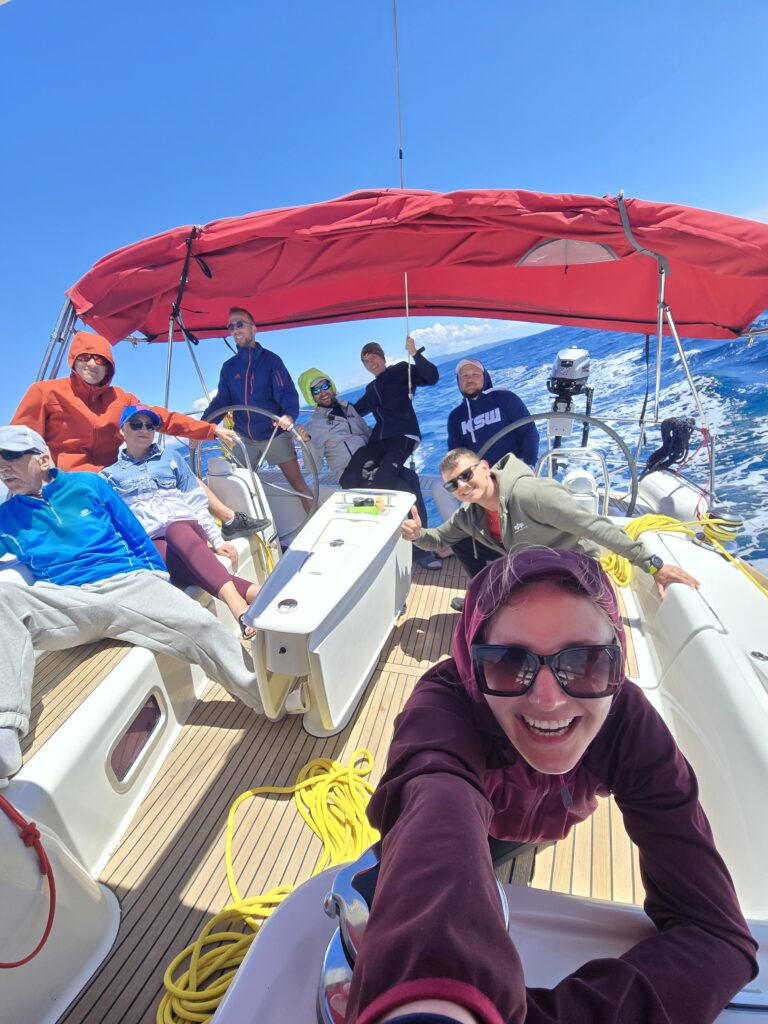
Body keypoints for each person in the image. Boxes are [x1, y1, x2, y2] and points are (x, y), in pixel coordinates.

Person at [345, 548, 757, 1024]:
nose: (547, 700)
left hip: (540, 821)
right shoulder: (442, 711)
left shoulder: (627, 721)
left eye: (584, 663)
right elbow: (435, 797)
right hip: (475, 828)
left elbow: (718, 929)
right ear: (473, 668)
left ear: (618, 664)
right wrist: (433, 999)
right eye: (507, 662)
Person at [0, 425, 263, 783]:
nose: (4, 467)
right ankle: (5, 728)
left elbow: (133, 533)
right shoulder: (5, 517)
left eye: (12, 457)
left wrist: (155, 576)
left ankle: (267, 697)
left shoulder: (88, 485)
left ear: (43, 458)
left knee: (202, 626)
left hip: (130, 584)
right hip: (72, 602)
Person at [12, 330, 268, 540]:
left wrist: (211, 430)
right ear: (73, 360)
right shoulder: (45, 393)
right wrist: (35, 487)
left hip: (118, 475)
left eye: (100, 359)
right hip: (71, 483)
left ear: (109, 367)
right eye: (85, 357)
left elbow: (162, 418)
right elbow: (19, 442)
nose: (92, 364)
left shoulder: (121, 399)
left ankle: (230, 519)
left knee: (176, 468)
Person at [402, 448, 700, 608]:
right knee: (464, 542)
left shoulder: (530, 494)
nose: (463, 486)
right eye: (453, 484)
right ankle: (492, 600)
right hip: (534, 569)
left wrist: (653, 565)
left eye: (466, 475)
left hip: (576, 569)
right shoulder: (472, 514)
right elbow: (438, 538)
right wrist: (418, 536)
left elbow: (594, 526)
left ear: (484, 467)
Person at [101, 405, 261, 638]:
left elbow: (196, 502)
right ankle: (255, 593)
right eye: (136, 424)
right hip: (154, 540)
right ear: (122, 431)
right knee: (168, 558)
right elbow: (116, 523)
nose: (143, 429)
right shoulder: (108, 476)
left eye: (150, 425)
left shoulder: (172, 458)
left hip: (187, 529)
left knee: (176, 530)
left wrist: (217, 541)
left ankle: (236, 605)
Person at [295, 368, 441, 571]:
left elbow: (369, 434)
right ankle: (418, 551)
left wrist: (396, 428)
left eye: (325, 385)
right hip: (352, 475)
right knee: (402, 489)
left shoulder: (349, 409)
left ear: (332, 386)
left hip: (374, 464)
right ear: (311, 397)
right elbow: (315, 467)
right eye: (316, 390)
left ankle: (422, 539)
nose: (323, 391)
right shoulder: (313, 426)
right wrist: (307, 441)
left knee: (412, 478)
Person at [201, 307, 313, 512]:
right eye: (231, 326)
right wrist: (201, 427)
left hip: (274, 434)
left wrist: (288, 414)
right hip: (245, 439)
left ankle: (315, 524)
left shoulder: (271, 361)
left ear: (254, 328)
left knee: (298, 484)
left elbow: (287, 392)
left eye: (240, 324)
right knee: (239, 487)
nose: (235, 329)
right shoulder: (229, 368)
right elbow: (221, 402)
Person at [339, 337, 439, 493]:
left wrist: (415, 353)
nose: (371, 363)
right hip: (379, 440)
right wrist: (335, 405)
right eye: (366, 361)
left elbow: (432, 377)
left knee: (383, 480)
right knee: (349, 477)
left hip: (403, 435)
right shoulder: (371, 389)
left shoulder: (401, 370)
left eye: (373, 357)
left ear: (383, 357)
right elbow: (357, 410)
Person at [447, 358, 539, 469]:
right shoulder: (455, 417)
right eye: (464, 376)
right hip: (482, 477)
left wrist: (529, 465)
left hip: (515, 470)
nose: (469, 379)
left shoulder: (506, 398)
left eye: (475, 374)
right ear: (458, 381)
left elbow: (529, 431)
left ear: (485, 377)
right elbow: (457, 455)